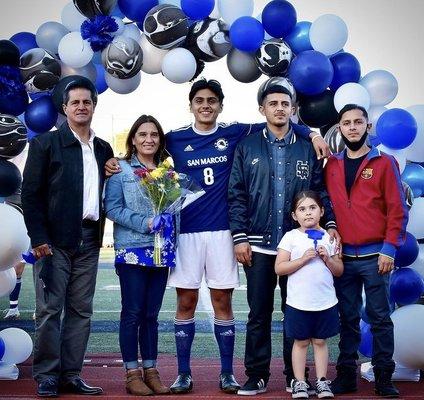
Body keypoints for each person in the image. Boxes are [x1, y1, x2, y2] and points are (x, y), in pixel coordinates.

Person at [105, 78, 329, 394]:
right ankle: (183, 373)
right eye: (200, 100)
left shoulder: (235, 131)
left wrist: (313, 132)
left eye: (212, 100)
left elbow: (278, 118)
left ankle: (227, 373)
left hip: (224, 232)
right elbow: (146, 147)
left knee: (223, 301)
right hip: (187, 234)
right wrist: (116, 161)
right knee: (186, 301)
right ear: (192, 105)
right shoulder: (175, 138)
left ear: (220, 105)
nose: (206, 105)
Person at [228, 84, 340, 396]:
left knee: (298, 311)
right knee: (258, 313)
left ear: (292, 109)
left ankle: (296, 376)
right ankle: (257, 374)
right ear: (261, 109)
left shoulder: (306, 147)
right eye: (273, 103)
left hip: (300, 247)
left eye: (285, 103)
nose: (279, 108)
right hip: (259, 244)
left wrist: (328, 222)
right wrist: (239, 238)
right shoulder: (247, 146)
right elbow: (236, 195)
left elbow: (319, 191)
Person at [21, 78, 113, 397]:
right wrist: (38, 237)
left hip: (89, 239)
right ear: (65, 108)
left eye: (86, 101)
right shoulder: (45, 144)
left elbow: (111, 194)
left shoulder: (103, 149)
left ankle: (71, 374)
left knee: (81, 309)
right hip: (53, 241)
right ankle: (47, 374)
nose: (81, 106)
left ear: (93, 106)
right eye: (75, 102)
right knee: (49, 308)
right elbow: (30, 195)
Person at [325, 104, 408, 398]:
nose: (352, 127)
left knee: (380, 317)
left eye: (358, 122)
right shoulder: (331, 166)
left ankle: (384, 376)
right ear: (340, 128)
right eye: (346, 123)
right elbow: (328, 208)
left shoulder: (384, 163)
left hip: (376, 257)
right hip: (344, 257)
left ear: (367, 127)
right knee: (346, 318)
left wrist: (389, 249)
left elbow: (397, 210)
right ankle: (346, 375)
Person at [104, 115, 172, 396]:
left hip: (160, 252)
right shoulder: (120, 169)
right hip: (132, 249)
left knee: (152, 315)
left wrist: (169, 226)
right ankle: (132, 374)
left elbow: (172, 208)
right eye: (142, 134)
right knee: (132, 313)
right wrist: (144, 222)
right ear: (133, 139)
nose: (148, 139)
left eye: (154, 134)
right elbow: (112, 209)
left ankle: (151, 371)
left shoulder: (167, 173)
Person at [275, 190, 343, 399]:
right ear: (295, 216)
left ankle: (322, 381)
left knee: (321, 341)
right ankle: (300, 382)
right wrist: (302, 260)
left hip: (324, 302)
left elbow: (339, 270)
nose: (308, 213)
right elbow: (280, 268)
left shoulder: (330, 238)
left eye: (312, 208)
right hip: (298, 303)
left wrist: (328, 259)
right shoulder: (291, 237)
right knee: (301, 342)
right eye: (302, 209)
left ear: (322, 211)